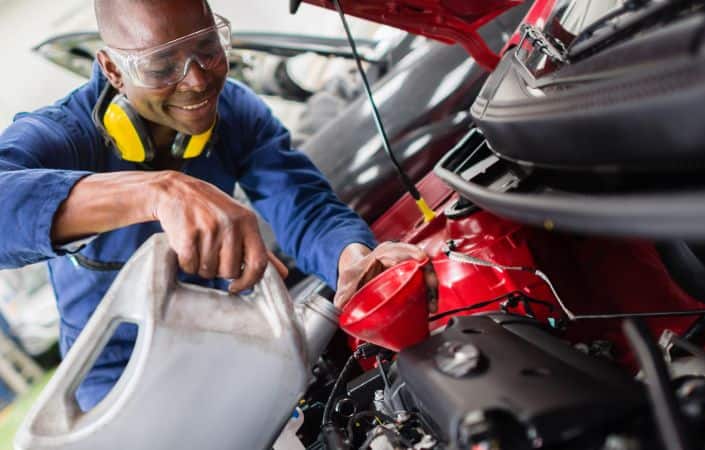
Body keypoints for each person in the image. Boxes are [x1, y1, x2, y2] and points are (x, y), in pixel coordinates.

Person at [0, 0, 426, 411]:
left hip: (226, 341)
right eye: (162, 65)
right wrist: (157, 191)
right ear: (113, 68)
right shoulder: (64, 136)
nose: (197, 80)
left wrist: (350, 257)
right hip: (116, 383)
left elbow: (303, 205)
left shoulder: (235, 112)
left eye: (207, 48)